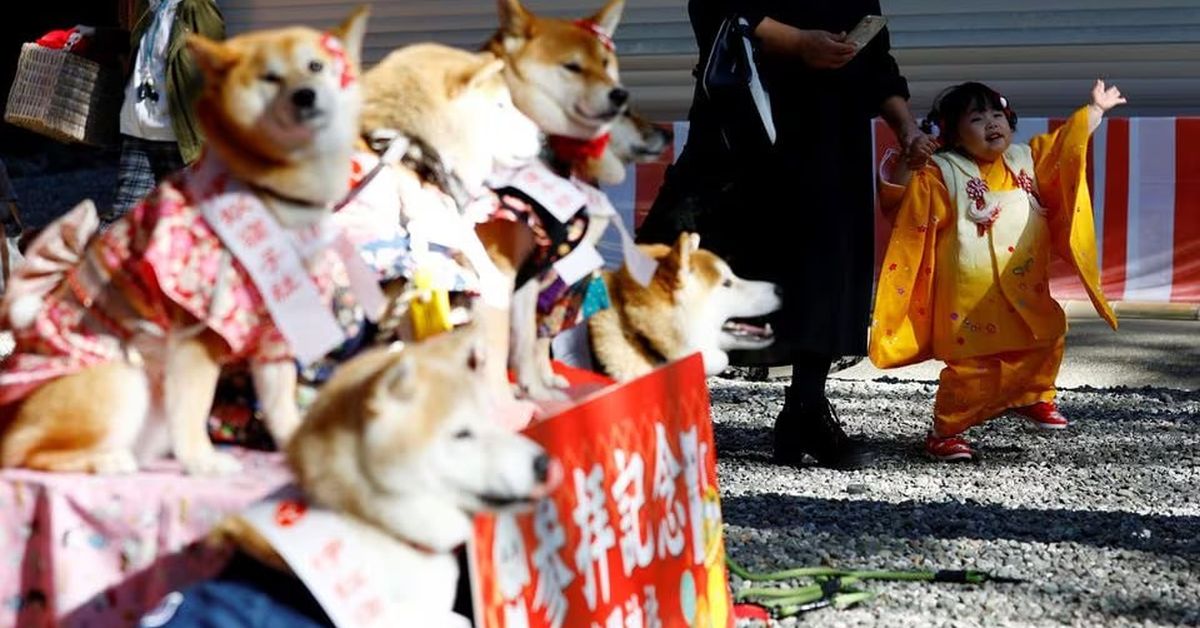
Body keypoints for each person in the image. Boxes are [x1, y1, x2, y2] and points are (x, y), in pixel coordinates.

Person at [637, 1, 929, 469]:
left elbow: (874, 53)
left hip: (832, 126)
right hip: (746, 113)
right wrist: (796, 41)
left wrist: (907, 127)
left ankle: (806, 410)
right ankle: (655, 411)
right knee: (693, 256)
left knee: (825, 262)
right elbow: (712, 7)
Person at [869, 79, 1124, 461]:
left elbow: (1064, 147)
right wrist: (911, 159)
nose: (992, 123)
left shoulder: (1026, 159)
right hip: (969, 296)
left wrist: (1094, 112)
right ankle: (946, 431)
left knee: (1045, 339)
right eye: (976, 117)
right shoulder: (943, 171)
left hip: (1024, 283)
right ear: (951, 132)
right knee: (974, 367)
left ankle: (1032, 396)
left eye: (997, 114)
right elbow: (907, 203)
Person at [103, 0, 224, 227]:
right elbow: (133, 44)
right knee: (124, 218)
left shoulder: (197, 6)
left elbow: (215, 61)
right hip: (138, 127)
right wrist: (93, 35)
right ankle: (105, 262)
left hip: (178, 134)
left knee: (189, 219)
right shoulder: (148, 6)